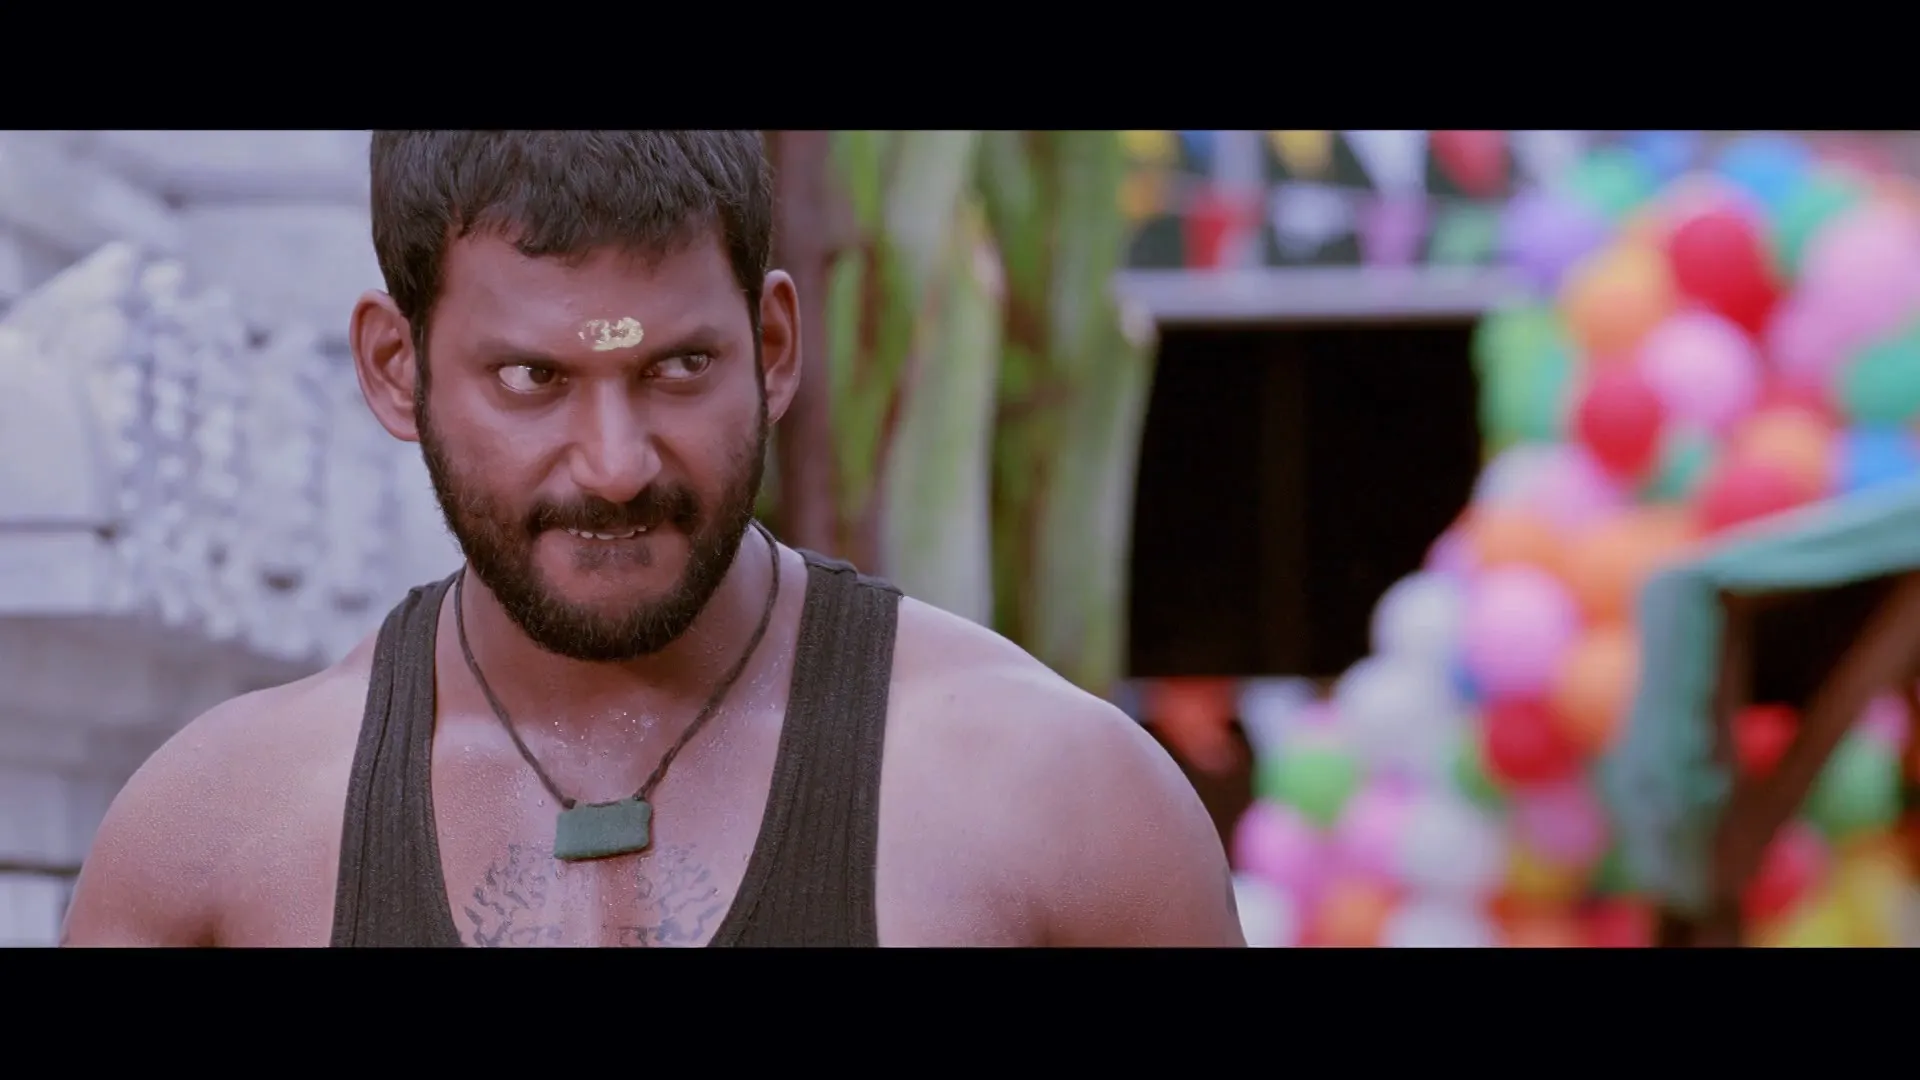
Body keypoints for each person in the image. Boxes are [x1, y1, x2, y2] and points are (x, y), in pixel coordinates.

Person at [60, 131, 1244, 948]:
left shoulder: (1059, 805)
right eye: (533, 378)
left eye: (677, 367)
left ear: (773, 348)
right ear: (392, 367)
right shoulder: (217, 846)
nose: (617, 462)